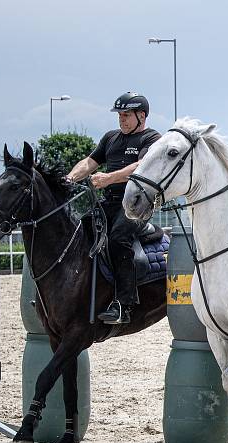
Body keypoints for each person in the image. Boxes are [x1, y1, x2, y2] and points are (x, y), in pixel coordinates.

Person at [65, 92, 161, 324]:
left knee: (118, 237)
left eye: (126, 115)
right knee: (78, 232)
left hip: (137, 205)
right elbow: (89, 162)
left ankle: (124, 304)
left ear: (142, 115)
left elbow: (142, 165)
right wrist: (69, 179)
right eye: (119, 115)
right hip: (108, 203)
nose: (122, 120)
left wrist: (109, 178)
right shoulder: (110, 138)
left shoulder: (152, 139)